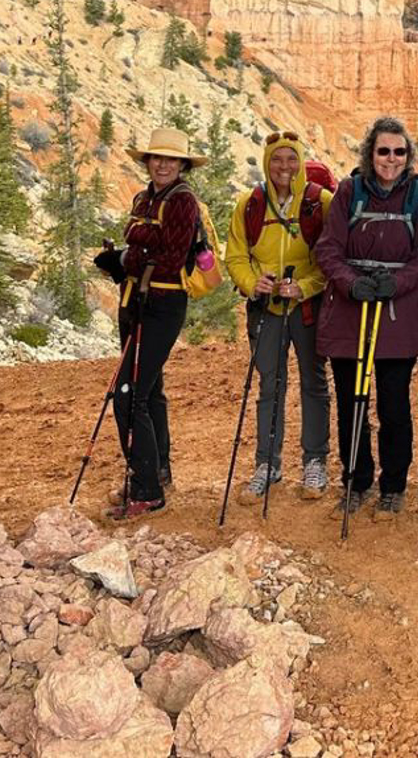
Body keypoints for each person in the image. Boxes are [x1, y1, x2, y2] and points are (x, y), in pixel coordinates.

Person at [314, 116, 418, 517]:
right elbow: (328, 249)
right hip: (351, 310)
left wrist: (395, 283)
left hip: (396, 313)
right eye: (384, 150)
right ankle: (355, 481)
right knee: (351, 402)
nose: (391, 159)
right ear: (371, 153)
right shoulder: (350, 191)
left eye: (399, 151)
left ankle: (393, 485)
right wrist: (352, 283)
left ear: (408, 155)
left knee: (394, 404)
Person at [91, 126, 204, 521]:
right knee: (151, 390)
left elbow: (172, 258)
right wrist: (129, 258)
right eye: (157, 157)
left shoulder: (183, 202)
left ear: (181, 164)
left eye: (170, 159)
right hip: (136, 300)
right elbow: (151, 248)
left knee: (128, 394)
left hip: (164, 302)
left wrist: (125, 257)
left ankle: (147, 490)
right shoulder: (144, 198)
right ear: (148, 161)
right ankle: (156, 469)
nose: (163, 164)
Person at [225, 130, 332, 502]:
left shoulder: (322, 203)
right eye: (276, 159)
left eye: (291, 158)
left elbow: (331, 258)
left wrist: (306, 286)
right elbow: (236, 255)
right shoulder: (249, 205)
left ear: (301, 162)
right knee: (270, 383)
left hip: (307, 307)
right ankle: (267, 464)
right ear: (266, 162)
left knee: (313, 382)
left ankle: (315, 463)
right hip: (266, 307)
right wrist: (254, 282)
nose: (284, 166)